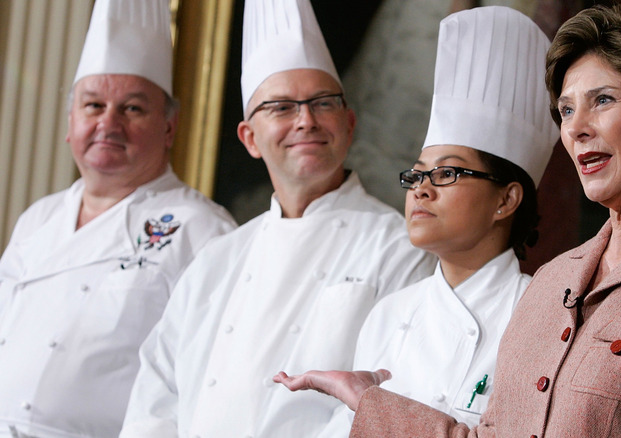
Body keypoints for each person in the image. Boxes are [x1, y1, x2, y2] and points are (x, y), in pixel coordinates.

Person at [274, 4, 621, 437]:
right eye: (565, 110)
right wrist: (369, 402)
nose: (577, 128)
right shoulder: (553, 283)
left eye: (602, 100)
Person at [119, 0, 435, 437]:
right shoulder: (218, 258)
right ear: (250, 138)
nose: (305, 120)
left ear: (349, 122)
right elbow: (156, 397)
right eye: (282, 107)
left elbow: (389, 395)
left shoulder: (400, 249)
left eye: (322, 104)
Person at [292, 7, 559, 435]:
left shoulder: (540, 316)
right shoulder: (389, 313)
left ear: (506, 199)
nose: (421, 189)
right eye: (416, 174)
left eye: (447, 173)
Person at [0, 0, 237, 436]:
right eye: (93, 106)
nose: (109, 123)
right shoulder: (38, 219)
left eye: (132, 108)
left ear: (169, 128)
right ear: (70, 122)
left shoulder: (204, 230)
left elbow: (214, 375)